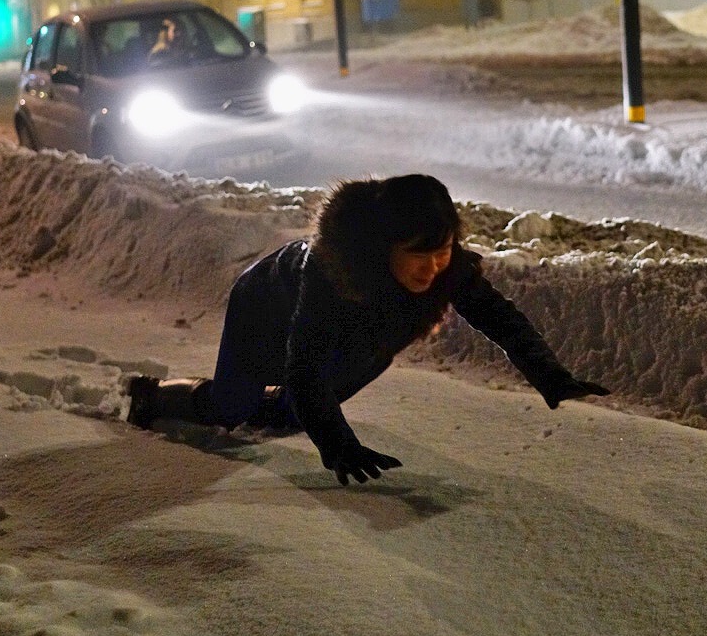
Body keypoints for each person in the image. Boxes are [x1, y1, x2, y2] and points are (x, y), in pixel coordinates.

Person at [124, 174, 609, 485]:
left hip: (351, 339)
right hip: (263, 309)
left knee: (298, 411)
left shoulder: (446, 265)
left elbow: (498, 316)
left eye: (441, 252)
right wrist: (340, 447)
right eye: (418, 256)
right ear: (385, 247)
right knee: (232, 406)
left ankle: (284, 412)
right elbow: (306, 364)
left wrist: (549, 376)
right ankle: (153, 395)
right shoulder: (332, 274)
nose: (432, 269)